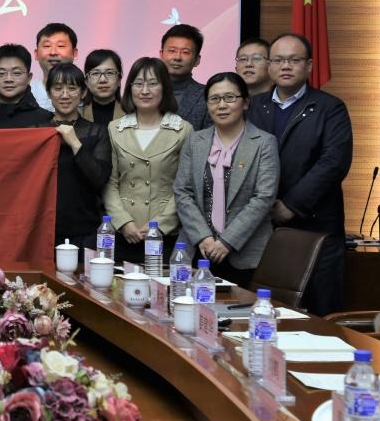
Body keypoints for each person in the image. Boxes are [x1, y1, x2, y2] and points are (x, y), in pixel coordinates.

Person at [247, 33, 353, 315]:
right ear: (269, 65)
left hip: (315, 225)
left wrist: (292, 205)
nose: (285, 66)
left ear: (309, 66)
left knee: (318, 315)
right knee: (266, 314)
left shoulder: (330, 108)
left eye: (294, 60)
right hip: (262, 225)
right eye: (279, 60)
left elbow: (333, 163)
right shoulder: (254, 106)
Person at [174, 73, 280, 288]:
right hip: (197, 249)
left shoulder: (264, 143)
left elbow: (264, 197)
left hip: (246, 254)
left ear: (245, 102)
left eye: (230, 97)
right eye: (214, 99)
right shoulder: (195, 141)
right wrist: (203, 237)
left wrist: (227, 241)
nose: (221, 105)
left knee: (242, 309)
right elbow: (182, 191)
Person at [103, 57, 193, 265]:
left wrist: (159, 225)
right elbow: (110, 182)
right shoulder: (115, 128)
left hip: (164, 233)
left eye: (153, 83)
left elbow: (185, 186)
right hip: (124, 232)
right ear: (129, 88)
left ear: (165, 88)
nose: (145, 91)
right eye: (138, 83)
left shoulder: (183, 129)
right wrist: (123, 222)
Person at [41, 63, 111, 250]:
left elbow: (99, 179)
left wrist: (74, 142)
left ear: (83, 92)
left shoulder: (98, 132)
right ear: (48, 93)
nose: (65, 95)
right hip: (43, 230)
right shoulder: (37, 131)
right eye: (58, 88)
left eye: (72, 88)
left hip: (86, 230)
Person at [0, 43, 52, 128]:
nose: (8, 79)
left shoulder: (45, 120)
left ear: (29, 78)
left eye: (16, 73)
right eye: (1, 73)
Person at [159, 23, 210, 130]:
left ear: (197, 60)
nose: (177, 57)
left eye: (185, 52)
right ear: (161, 54)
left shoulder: (207, 96)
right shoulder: (143, 92)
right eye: (172, 51)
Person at [29, 22, 78, 112]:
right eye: (47, 46)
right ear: (36, 54)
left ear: (74, 53)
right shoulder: (27, 92)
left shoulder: (88, 91)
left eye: (61, 46)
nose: (53, 52)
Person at [81, 48, 125, 128]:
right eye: (95, 73)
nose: (103, 80)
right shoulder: (76, 114)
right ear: (86, 81)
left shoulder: (131, 113)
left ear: (119, 79)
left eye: (109, 73)